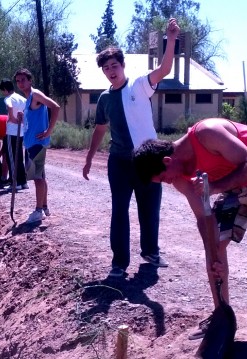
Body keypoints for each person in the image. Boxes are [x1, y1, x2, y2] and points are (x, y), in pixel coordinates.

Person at [132, 118, 247, 350]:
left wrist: (216, 187)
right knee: (216, 242)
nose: (166, 183)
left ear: (168, 161)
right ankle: (223, 316)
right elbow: (203, 218)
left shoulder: (207, 134)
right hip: (237, 181)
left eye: (162, 178)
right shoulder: (180, 178)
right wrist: (213, 254)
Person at [82, 18, 180, 278]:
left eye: (114, 65)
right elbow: (100, 129)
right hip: (119, 162)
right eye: (106, 67)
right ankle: (119, 264)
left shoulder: (139, 85)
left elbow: (165, 69)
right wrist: (89, 158)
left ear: (123, 65)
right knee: (119, 211)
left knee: (149, 209)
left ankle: (150, 252)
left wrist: (170, 40)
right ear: (103, 72)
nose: (111, 70)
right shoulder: (104, 98)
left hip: (147, 160)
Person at [14, 68, 60, 224]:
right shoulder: (28, 100)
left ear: (30, 80)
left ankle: (38, 210)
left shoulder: (35, 95)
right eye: (18, 81)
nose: (20, 83)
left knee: (37, 177)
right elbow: (32, 121)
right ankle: (44, 207)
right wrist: (22, 117)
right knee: (40, 176)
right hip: (31, 143)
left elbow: (56, 107)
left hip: (37, 144)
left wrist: (49, 131)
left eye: (23, 80)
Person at [0, 78, 28, 190]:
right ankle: (23, 182)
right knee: (19, 157)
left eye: (3, 90)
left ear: (6, 89)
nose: (3, 93)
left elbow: (10, 106)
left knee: (11, 158)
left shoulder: (9, 98)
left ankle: (15, 183)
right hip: (21, 132)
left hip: (11, 132)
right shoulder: (22, 98)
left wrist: (12, 118)